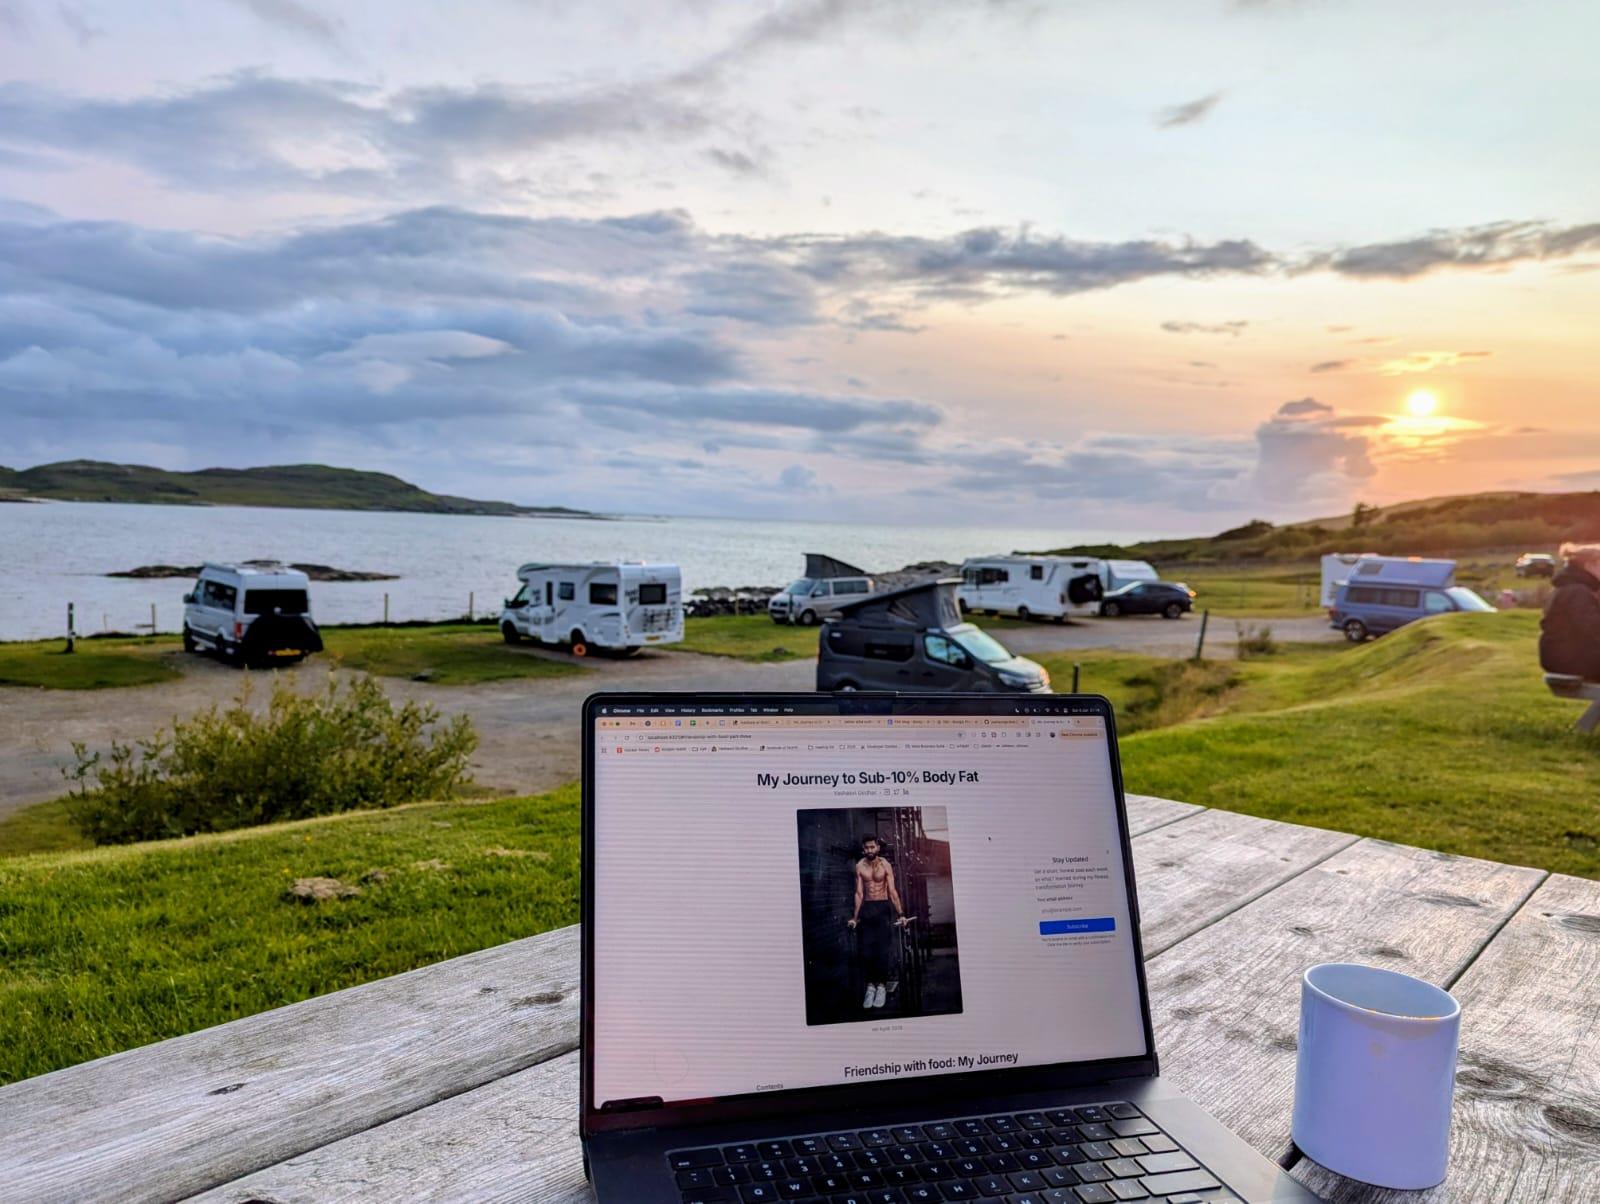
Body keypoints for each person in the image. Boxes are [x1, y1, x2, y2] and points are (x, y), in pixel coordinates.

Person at [846, 835, 909, 1010]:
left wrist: (901, 913)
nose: (869, 850)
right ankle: (870, 987)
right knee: (866, 951)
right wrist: (855, 917)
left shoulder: (885, 865)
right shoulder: (860, 866)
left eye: (872, 847)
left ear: (877, 848)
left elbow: (893, 891)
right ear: (863, 849)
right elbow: (859, 894)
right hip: (867, 910)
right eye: (866, 848)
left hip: (882, 910)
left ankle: (881, 986)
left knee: (882, 950)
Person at [1540, 544, 1600, 681]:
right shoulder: (1577, 592)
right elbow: (1594, 628)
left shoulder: (1572, 588)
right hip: (1571, 660)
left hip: (1564, 658)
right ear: (1589, 565)